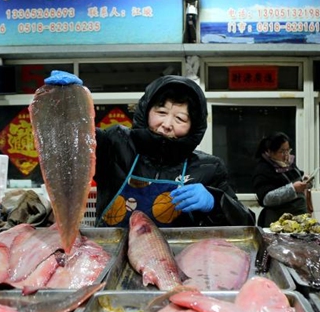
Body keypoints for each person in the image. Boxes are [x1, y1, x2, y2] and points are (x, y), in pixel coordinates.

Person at [89, 74, 255, 227]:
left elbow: (246, 223)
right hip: (110, 255)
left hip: (176, 257)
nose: (167, 124)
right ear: (146, 111)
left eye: (180, 119)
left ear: (193, 127)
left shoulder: (209, 168)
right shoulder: (115, 144)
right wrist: (68, 98)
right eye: (161, 112)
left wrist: (216, 203)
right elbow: (74, 141)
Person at [253, 132, 311, 228]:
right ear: (270, 151)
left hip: (299, 219)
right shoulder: (263, 169)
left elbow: (297, 178)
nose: (286, 155)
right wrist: (293, 189)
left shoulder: (288, 163)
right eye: (282, 152)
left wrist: (305, 180)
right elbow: (267, 199)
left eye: (288, 150)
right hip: (277, 223)